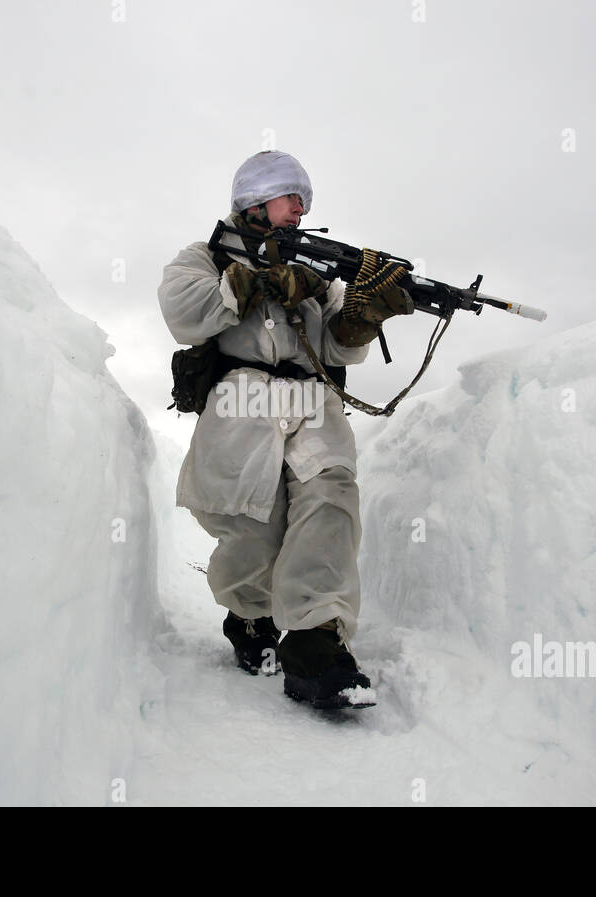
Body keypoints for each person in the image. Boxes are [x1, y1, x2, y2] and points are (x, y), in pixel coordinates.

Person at [156, 150, 414, 708]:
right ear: (255, 199)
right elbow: (184, 313)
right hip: (240, 397)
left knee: (330, 495)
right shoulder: (202, 257)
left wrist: (363, 315)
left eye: (304, 201)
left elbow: (339, 346)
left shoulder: (321, 268)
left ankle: (316, 643)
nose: (301, 209)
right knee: (254, 521)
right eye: (291, 197)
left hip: (311, 397)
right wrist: (259, 281)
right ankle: (250, 617)